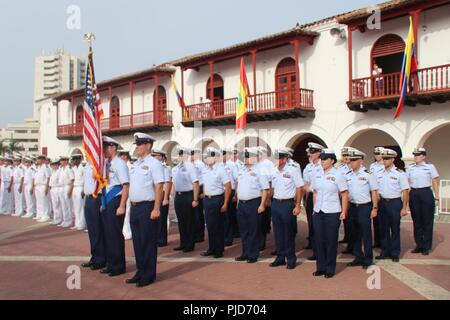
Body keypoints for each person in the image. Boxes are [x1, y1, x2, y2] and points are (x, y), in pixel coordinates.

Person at [127, 133, 164, 288]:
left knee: (147, 242)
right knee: (137, 242)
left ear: (148, 145)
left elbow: (159, 186)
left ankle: (148, 275)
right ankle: (140, 271)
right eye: (136, 144)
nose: (137, 147)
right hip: (135, 207)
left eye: (140, 144)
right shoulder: (135, 164)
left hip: (147, 207)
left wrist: (156, 208)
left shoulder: (154, 164)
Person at [311, 149, 349, 279]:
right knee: (319, 241)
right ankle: (320, 267)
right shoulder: (317, 174)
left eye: (325, 159)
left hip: (332, 212)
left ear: (332, 160)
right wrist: (314, 209)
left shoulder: (338, 174)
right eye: (321, 159)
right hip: (318, 212)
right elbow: (315, 192)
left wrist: (344, 211)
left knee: (331, 241)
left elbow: (344, 194)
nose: (322, 161)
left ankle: (329, 268)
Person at [100, 136, 130, 277]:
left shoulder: (119, 164)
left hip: (116, 201)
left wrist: (122, 205)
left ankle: (118, 266)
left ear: (113, 147)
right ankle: (111, 263)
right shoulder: (107, 164)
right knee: (108, 234)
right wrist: (103, 202)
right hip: (108, 201)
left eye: (105, 147)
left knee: (115, 234)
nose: (103, 150)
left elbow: (125, 186)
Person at [270, 149, 304, 270]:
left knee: (288, 233)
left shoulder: (293, 169)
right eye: (276, 158)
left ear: (285, 159)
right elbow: (272, 187)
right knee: (278, 233)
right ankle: (280, 258)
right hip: (276, 203)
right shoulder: (274, 170)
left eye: (279, 158)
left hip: (287, 204)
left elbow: (300, 187)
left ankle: (291, 259)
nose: (277, 160)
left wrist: (297, 205)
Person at [235, 148, 269, 263]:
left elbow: (265, 189)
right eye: (245, 156)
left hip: (254, 203)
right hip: (242, 204)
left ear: (254, 158)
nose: (245, 159)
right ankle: (245, 253)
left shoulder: (260, 170)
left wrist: (262, 205)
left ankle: (253, 254)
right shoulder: (241, 170)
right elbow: (238, 186)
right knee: (244, 231)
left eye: (248, 156)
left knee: (253, 230)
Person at [346, 149, 378, 269]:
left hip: (364, 206)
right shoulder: (347, 175)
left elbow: (374, 192)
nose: (351, 163)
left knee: (366, 234)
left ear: (360, 161)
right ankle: (358, 256)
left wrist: (374, 208)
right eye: (350, 160)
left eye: (353, 160)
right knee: (355, 233)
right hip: (352, 207)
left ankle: (368, 259)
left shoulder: (368, 175)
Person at [376, 148, 410, 263]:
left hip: (395, 203)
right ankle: (385, 251)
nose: (384, 160)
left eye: (387, 158)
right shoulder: (379, 172)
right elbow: (375, 189)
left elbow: (405, 191)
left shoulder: (400, 173)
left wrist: (404, 207)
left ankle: (395, 253)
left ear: (393, 159)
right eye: (383, 158)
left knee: (395, 229)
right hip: (382, 203)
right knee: (383, 228)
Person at [407, 147, 439, 255]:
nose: (415, 157)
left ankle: (426, 247)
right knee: (416, 221)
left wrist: (437, 196)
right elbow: (407, 182)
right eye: (414, 155)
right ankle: (419, 245)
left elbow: (434, 181)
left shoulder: (430, 167)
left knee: (427, 221)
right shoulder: (410, 168)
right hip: (414, 193)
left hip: (426, 192)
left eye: (417, 155)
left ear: (423, 156)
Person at [200, 148, 231, 258]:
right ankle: (211, 248)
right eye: (206, 156)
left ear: (215, 157)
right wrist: (204, 193)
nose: (207, 158)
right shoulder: (205, 169)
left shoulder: (221, 169)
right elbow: (204, 183)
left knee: (217, 226)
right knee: (210, 225)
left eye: (210, 156)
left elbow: (228, 186)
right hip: (208, 200)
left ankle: (218, 250)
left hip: (217, 199)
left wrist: (225, 203)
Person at [172, 147, 199, 252]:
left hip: (188, 195)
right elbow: (175, 183)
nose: (180, 156)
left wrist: (195, 199)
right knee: (181, 221)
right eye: (179, 154)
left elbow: (195, 183)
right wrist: (174, 196)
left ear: (187, 155)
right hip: (178, 196)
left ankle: (190, 244)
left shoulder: (190, 166)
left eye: (182, 154)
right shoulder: (176, 167)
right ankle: (183, 243)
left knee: (189, 221)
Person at [80, 161, 106, 271]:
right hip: (88, 198)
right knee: (91, 230)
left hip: (97, 198)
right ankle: (95, 257)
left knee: (98, 229)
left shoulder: (99, 163)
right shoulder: (87, 166)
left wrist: (104, 202)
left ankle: (101, 259)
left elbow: (104, 183)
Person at [302, 142, 325, 260]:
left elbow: (323, 184)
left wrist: (311, 187)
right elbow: (305, 184)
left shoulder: (324, 166)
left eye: (312, 152)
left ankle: (321, 249)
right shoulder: (308, 167)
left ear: (319, 153)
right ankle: (314, 247)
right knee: (311, 223)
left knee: (320, 224)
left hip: (322, 197)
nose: (309, 154)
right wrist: (306, 198)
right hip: (311, 197)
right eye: (309, 152)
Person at [255, 146, 274, 251]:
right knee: (257, 221)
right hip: (256, 196)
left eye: (258, 154)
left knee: (262, 221)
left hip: (264, 195)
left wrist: (268, 198)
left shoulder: (268, 164)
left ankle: (261, 243)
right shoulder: (256, 164)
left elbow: (270, 182)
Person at [152, 149, 172, 247]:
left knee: (162, 218)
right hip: (154, 194)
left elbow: (168, 183)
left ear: (161, 156)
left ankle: (162, 239)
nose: (154, 157)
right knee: (155, 218)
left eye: (156, 155)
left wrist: (165, 198)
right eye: (153, 156)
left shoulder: (165, 168)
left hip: (162, 194)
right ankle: (156, 237)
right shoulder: (154, 167)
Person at [221, 148, 239, 246]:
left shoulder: (231, 165)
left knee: (229, 216)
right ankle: (224, 236)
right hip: (221, 192)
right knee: (224, 216)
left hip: (230, 191)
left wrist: (236, 194)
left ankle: (228, 238)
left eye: (223, 154)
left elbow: (236, 180)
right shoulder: (219, 165)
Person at [339, 147, 354, 254]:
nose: (345, 158)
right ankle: (347, 238)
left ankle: (353, 244)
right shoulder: (340, 168)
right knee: (346, 220)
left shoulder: (355, 167)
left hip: (353, 199)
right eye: (343, 156)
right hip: (343, 198)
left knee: (352, 222)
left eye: (347, 156)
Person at [370, 147, 385, 248]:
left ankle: (384, 242)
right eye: (375, 153)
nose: (376, 155)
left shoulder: (386, 165)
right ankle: (377, 241)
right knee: (375, 220)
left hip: (383, 195)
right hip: (375, 195)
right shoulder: (372, 166)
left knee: (384, 221)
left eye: (378, 153)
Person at [191, 148, 207, 243]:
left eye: (193, 154)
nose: (191, 156)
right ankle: (195, 234)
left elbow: (204, 178)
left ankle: (200, 235)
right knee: (194, 214)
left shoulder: (200, 164)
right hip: (193, 188)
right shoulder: (191, 164)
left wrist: (204, 192)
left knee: (198, 213)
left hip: (199, 188)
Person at [118, 150, 132, 240]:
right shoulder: (122, 165)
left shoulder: (130, 166)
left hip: (128, 191)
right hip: (122, 191)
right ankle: (124, 230)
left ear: (125, 156)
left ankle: (128, 232)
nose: (120, 158)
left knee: (127, 212)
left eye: (121, 156)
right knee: (124, 212)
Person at [33, 155, 51, 222]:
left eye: (38, 159)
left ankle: (46, 215)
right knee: (39, 201)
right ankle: (40, 214)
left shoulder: (45, 167)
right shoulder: (38, 167)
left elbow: (48, 177)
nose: (37, 160)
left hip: (43, 185)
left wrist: (47, 187)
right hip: (37, 186)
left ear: (43, 160)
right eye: (37, 159)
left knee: (44, 201)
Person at [58, 156, 74, 228]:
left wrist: (70, 190)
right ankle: (65, 220)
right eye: (61, 160)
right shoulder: (61, 169)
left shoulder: (69, 169)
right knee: (63, 205)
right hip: (62, 187)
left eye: (63, 160)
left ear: (67, 161)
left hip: (67, 187)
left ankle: (69, 221)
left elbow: (72, 180)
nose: (61, 162)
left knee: (68, 205)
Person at [72, 152, 86, 231]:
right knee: (76, 207)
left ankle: (82, 223)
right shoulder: (74, 168)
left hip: (80, 187)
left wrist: (84, 189)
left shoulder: (82, 167)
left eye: (75, 159)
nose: (73, 161)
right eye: (73, 159)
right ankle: (77, 223)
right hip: (75, 187)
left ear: (79, 159)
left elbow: (85, 179)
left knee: (81, 207)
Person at [48, 159, 62, 225]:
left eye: (54, 165)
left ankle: (59, 219)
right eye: (52, 165)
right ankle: (56, 218)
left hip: (57, 188)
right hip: (53, 189)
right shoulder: (53, 172)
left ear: (57, 165)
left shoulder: (59, 172)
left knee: (57, 204)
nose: (53, 166)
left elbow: (60, 181)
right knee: (54, 205)